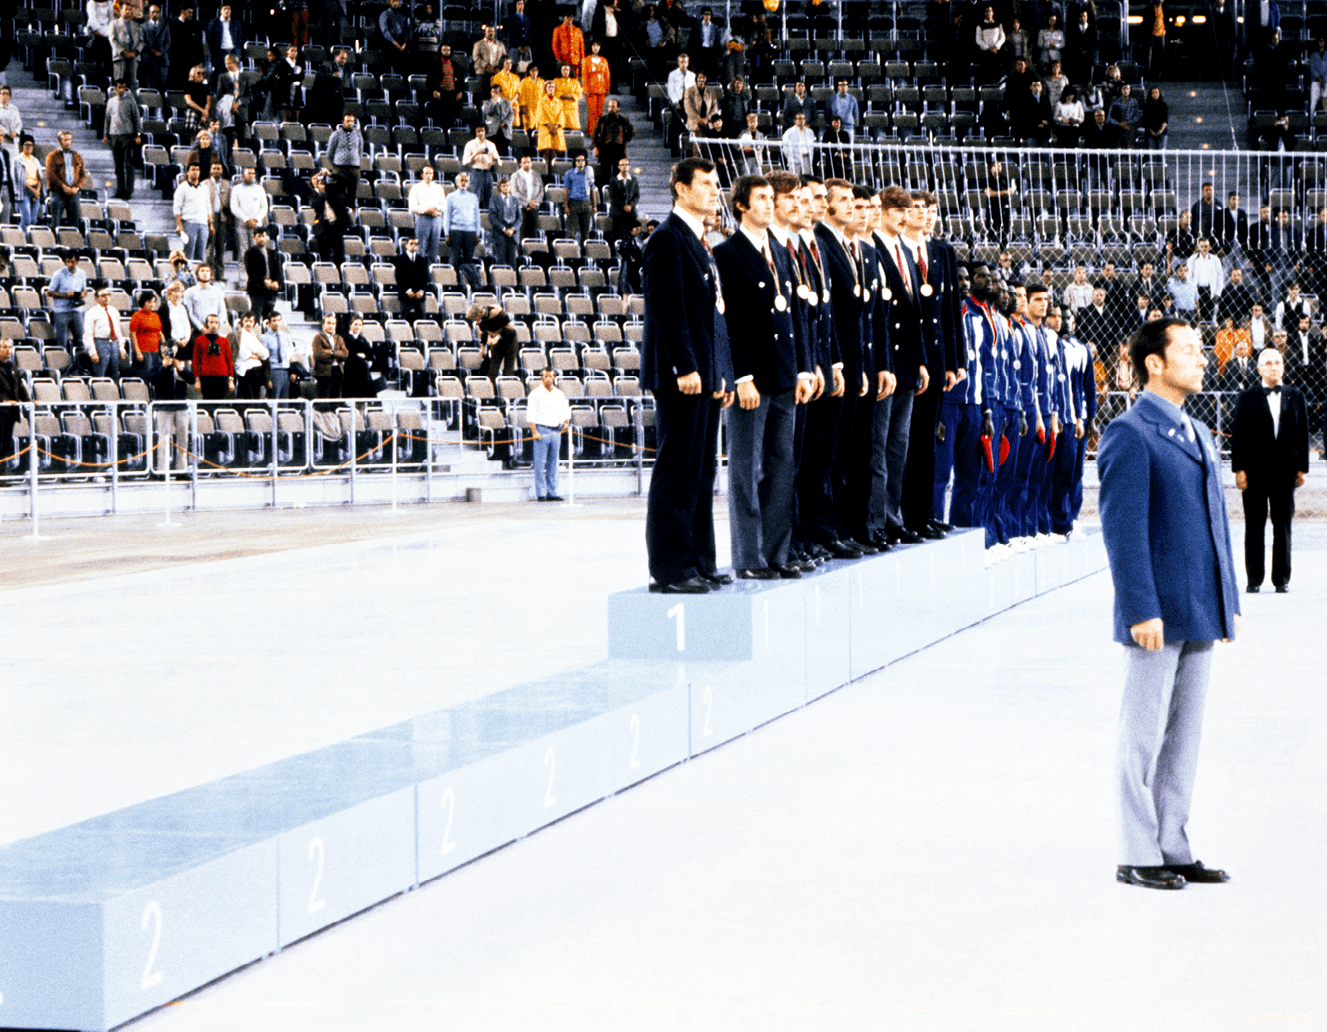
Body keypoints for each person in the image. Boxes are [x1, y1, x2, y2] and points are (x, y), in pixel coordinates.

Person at [1097, 317, 1240, 891]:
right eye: (1189, 350)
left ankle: (1172, 845)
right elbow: (1123, 532)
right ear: (1154, 363)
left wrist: (1226, 599)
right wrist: (1139, 608)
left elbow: (1215, 523)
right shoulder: (1130, 433)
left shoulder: (1197, 430)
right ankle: (1136, 851)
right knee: (1141, 735)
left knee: (1184, 737)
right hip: (1155, 611)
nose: (1203, 358)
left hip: (1199, 604)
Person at [714, 174, 813, 579]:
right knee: (746, 470)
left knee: (780, 467)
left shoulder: (781, 251)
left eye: (772, 198)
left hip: (784, 375)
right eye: (761, 198)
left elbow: (794, 316)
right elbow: (729, 322)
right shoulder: (727, 253)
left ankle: (776, 553)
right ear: (741, 205)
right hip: (752, 380)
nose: (770, 204)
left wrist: (802, 368)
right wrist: (740, 377)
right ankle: (748, 558)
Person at [642, 157, 734, 593]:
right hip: (683, 374)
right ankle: (670, 568)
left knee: (700, 472)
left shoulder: (701, 240)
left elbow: (712, 316)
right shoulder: (668, 237)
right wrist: (686, 366)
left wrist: (720, 373)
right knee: (677, 471)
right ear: (681, 188)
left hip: (704, 373)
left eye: (716, 184)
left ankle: (699, 560)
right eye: (706, 184)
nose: (715, 191)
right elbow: (667, 308)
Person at [1231, 347, 1309, 593]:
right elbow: (1238, 434)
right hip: (1254, 471)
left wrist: (1302, 468)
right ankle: (1254, 579)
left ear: (1283, 367)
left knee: (1282, 525)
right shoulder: (1247, 397)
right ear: (1259, 369)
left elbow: (1303, 434)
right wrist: (1239, 469)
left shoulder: (1296, 396)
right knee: (1254, 525)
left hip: (1285, 471)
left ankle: (1281, 578)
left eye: (1278, 363)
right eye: (1269, 363)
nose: (1274, 367)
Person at [527, 367, 571, 501]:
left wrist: (566, 422)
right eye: (546, 376)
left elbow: (564, 410)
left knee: (554, 462)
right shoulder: (535, 394)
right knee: (540, 463)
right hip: (542, 429)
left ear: (554, 378)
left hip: (556, 430)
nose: (548, 379)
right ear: (542, 378)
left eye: (551, 376)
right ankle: (541, 493)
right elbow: (531, 414)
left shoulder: (559, 394)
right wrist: (534, 431)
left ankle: (553, 492)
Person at [45, 251, 89, 354]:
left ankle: (80, 361)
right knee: (62, 341)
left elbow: (84, 290)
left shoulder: (82, 273)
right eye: (67, 261)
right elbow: (50, 292)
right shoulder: (58, 274)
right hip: (61, 310)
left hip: (76, 309)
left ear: (76, 262)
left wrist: (81, 295)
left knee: (81, 339)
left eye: (72, 262)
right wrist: (65, 295)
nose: (69, 264)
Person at [84, 280, 127, 378]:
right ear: (96, 298)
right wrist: (93, 352)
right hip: (100, 342)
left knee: (115, 371)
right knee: (100, 371)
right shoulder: (91, 313)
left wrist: (121, 347)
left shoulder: (114, 311)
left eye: (108, 295)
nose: (107, 297)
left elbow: (118, 331)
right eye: (103, 295)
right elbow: (88, 334)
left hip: (113, 342)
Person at [443, 172, 481, 285]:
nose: (463, 183)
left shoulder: (473, 197)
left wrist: (477, 233)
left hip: (470, 231)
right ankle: (452, 284)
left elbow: (477, 216)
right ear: (457, 182)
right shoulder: (450, 197)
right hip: (455, 231)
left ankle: (466, 284)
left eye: (466, 181)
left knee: (468, 260)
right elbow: (446, 216)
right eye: (461, 180)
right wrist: (446, 233)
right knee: (454, 258)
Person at [467, 301, 518, 382]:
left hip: (509, 340)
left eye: (475, 318)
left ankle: (507, 387)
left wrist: (497, 337)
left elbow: (510, 328)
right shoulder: (480, 319)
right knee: (492, 370)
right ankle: (492, 388)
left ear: (480, 313)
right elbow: (483, 332)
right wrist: (482, 347)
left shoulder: (496, 312)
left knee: (508, 371)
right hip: (496, 342)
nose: (476, 320)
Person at [1, 337, 32, 465]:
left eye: (10, 347)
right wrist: (3, 401)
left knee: (6, 444)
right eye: (4, 347)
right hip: (1, 410)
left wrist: (29, 401)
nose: (8, 350)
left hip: (11, 412)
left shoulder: (12, 366)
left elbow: (19, 386)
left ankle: (3, 473)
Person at [45, 131, 86, 228]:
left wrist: (77, 188)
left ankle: (72, 237)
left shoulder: (77, 156)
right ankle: (55, 237)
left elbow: (83, 175)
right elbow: (50, 174)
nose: (68, 142)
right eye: (65, 140)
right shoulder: (52, 156)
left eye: (69, 140)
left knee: (74, 221)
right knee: (56, 221)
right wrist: (63, 186)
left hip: (73, 192)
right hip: (58, 192)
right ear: (59, 142)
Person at [262, 312, 306, 400]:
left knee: (285, 400)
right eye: (274, 320)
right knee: (274, 399)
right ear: (269, 323)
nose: (277, 323)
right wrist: (267, 378)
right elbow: (264, 359)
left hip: (286, 371)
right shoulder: (264, 338)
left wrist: (294, 371)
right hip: (273, 370)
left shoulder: (286, 336)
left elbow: (291, 354)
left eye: (279, 320)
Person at [590, 96, 634, 184]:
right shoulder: (602, 119)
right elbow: (594, 134)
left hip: (618, 149)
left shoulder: (623, 119)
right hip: (605, 148)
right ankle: (604, 190)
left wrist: (624, 139)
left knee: (617, 174)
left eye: (613, 106)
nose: (610, 109)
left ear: (618, 108)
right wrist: (595, 146)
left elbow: (631, 131)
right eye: (609, 106)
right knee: (604, 173)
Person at [173, 163, 211, 263]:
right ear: (188, 172)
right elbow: (177, 207)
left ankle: (199, 272)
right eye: (193, 169)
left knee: (201, 253)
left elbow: (208, 206)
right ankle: (187, 272)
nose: (195, 172)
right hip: (189, 223)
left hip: (203, 224)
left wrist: (210, 223)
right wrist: (179, 224)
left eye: (197, 169)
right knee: (188, 253)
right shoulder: (182, 188)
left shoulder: (205, 188)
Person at [408, 164, 446, 262]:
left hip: (436, 218)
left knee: (434, 248)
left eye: (430, 173)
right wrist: (426, 210)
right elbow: (412, 206)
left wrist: (435, 208)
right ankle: (419, 268)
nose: (428, 175)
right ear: (422, 175)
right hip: (422, 218)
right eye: (426, 173)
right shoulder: (416, 188)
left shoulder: (438, 188)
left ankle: (431, 268)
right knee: (421, 247)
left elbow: (444, 206)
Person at [243, 228, 282, 321]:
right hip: (257, 289)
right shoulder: (249, 253)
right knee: (256, 316)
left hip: (270, 290)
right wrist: (263, 280)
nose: (261, 239)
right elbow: (251, 271)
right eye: (259, 236)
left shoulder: (272, 252)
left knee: (268, 318)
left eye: (263, 236)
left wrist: (276, 281)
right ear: (254, 237)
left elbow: (277, 270)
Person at [192, 312, 234, 400]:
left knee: (221, 403)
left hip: (222, 376)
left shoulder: (224, 341)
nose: (214, 325)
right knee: (207, 403)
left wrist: (231, 380)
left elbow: (229, 361)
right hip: (206, 377)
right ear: (207, 324)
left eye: (216, 322)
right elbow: (195, 361)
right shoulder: (199, 340)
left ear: (219, 325)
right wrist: (197, 380)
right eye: (211, 322)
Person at [230, 166, 269, 260]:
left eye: (253, 173)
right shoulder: (236, 189)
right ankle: (243, 269)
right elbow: (234, 207)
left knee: (257, 252)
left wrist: (256, 219)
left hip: (256, 224)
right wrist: (246, 219)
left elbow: (264, 207)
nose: (251, 175)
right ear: (243, 175)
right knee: (243, 252)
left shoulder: (260, 189)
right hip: (241, 224)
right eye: (249, 173)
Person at [230, 312, 270, 399]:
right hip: (245, 371)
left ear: (254, 323)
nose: (248, 323)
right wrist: (256, 355)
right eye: (246, 321)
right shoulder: (237, 335)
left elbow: (265, 354)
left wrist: (252, 352)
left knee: (257, 399)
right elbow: (242, 353)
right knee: (248, 399)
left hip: (257, 370)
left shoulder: (254, 336)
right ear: (242, 322)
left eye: (251, 321)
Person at [182, 262, 229, 336]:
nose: (205, 273)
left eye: (207, 271)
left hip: (216, 329)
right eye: (202, 271)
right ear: (197, 275)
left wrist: (215, 326)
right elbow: (190, 314)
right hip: (198, 330)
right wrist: (202, 329)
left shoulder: (217, 291)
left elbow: (223, 312)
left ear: (211, 274)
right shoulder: (189, 292)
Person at [325, 113, 363, 203]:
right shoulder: (336, 134)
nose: (350, 123)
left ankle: (351, 210)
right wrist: (336, 165)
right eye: (347, 121)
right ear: (343, 122)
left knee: (352, 195)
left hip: (354, 169)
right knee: (338, 194)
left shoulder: (358, 134)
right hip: (340, 168)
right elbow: (330, 152)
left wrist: (356, 161)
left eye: (352, 121)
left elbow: (360, 150)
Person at [128, 290, 164, 383]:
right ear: (143, 302)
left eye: (154, 302)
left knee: (158, 374)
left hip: (155, 350)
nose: (152, 304)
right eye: (149, 302)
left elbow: (159, 330)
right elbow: (132, 335)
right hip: (144, 351)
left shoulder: (156, 316)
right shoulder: (137, 316)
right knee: (146, 375)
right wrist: (138, 352)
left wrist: (162, 339)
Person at [462, 125, 500, 209]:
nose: (480, 133)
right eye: (478, 131)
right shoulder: (470, 144)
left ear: (485, 131)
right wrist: (475, 154)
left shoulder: (491, 145)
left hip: (488, 173)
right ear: (475, 132)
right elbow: (464, 161)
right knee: (475, 198)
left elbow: (499, 161)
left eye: (482, 131)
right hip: (477, 173)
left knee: (488, 198)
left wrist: (493, 161)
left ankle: (487, 215)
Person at [311, 314, 347, 398]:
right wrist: (337, 355)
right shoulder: (318, 338)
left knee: (336, 397)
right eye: (329, 323)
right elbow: (318, 355)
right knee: (324, 397)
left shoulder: (338, 338)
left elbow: (345, 354)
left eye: (333, 323)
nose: (331, 326)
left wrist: (331, 353)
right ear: (323, 325)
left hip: (337, 370)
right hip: (324, 371)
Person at [562, 152, 595, 246]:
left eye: (582, 160)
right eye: (578, 160)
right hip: (574, 203)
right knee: (571, 232)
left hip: (586, 202)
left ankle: (584, 252)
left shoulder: (589, 172)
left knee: (585, 233)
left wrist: (594, 205)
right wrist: (566, 206)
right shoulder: (569, 173)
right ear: (575, 162)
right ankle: (571, 251)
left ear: (585, 162)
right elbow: (565, 191)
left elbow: (592, 189)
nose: (581, 162)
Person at [488, 176, 521, 268]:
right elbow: (492, 217)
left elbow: (519, 218)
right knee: (501, 263)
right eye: (504, 186)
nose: (506, 188)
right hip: (500, 235)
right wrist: (503, 229)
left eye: (508, 185)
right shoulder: (494, 200)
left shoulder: (515, 200)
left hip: (512, 236)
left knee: (512, 263)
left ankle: (512, 278)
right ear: (499, 188)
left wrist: (512, 229)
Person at [512, 153, 545, 242]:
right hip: (521, 208)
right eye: (524, 162)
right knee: (521, 234)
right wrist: (527, 203)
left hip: (534, 208)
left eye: (528, 162)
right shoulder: (515, 176)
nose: (527, 164)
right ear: (520, 164)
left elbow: (541, 191)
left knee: (533, 234)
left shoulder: (536, 175)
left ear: (531, 163)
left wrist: (535, 203)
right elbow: (515, 193)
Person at [535, 78, 567, 166]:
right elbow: (540, 115)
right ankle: (546, 170)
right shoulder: (541, 102)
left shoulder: (559, 102)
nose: (551, 89)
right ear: (545, 89)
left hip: (556, 129)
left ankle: (553, 169)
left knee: (554, 151)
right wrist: (549, 126)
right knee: (546, 151)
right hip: (546, 128)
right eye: (549, 87)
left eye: (552, 87)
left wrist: (555, 126)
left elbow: (561, 116)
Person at [606, 157, 638, 243]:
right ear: (618, 167)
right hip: (618, 210)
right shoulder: (613, 180)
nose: (624, 166)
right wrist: (623, 206)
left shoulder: (633, 180)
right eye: (622, 165)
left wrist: (631, 205)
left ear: (629, 166)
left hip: (630, 211)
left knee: (630, 233)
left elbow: (636, 195)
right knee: (618, 234)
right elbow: (613, 197)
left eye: (626, 164)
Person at [140, 5, 170, 95]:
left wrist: (161, 52)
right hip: (149, 59)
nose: (155, 14)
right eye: (153, 12)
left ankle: (162, 103)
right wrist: (153, 51)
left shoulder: (165, 26)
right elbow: (142, 42)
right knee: (150, 85)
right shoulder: (143, 26)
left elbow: (168, 42)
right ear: (149, 13)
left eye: (157, 12)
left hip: (162, 60)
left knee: (163, 85)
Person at [582, 40, 610, 136]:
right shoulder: (586, 60)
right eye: (594, 45)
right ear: (591, 47)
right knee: (592, 111)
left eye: (598, 45)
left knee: (600, 112)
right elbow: (584, 76)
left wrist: (607, 88)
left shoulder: (604, 60)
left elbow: (607, 75)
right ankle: (592, 131)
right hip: (591, 90)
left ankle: (599, 131)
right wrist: (586, 89)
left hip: (601, 89)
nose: (596, 47)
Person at [483, 83, 515, 156]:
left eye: (496, 92)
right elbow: (487, 111)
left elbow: (511, 115)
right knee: (492, 154)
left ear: (500, 93)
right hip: (492, 132)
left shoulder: (507, 102)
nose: (494, 94)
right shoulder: (487, 102)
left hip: (504, 131)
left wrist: (505, 123)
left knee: (504, 154)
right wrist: (494, 103)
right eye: (492, 92)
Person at [1107, 82, 1140, 147]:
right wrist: (1119, 124)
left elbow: (1137, 117)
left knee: (1130, 140)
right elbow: (1109, 118)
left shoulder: (1134, 102)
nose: (1126, 91)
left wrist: (1127, 123)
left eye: (1127, 89)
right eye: (1124, 88)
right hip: (1117, 127)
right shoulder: (1115, 102)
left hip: (1130, 127)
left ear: (1130, 90)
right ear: (1120, 90)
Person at [1141, 85, 1168, 150]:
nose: (1155, 94)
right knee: (1150, 152)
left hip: (1162, 131)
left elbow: (1165, 120)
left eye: (1156, 92)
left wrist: (1160, 131)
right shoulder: (1147, 105)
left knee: (1161, 152)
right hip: (1150, 132)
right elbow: (1145, 120)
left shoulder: (1164, 105)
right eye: (1153, 92)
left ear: (1159, 93)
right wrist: (1152, 131)